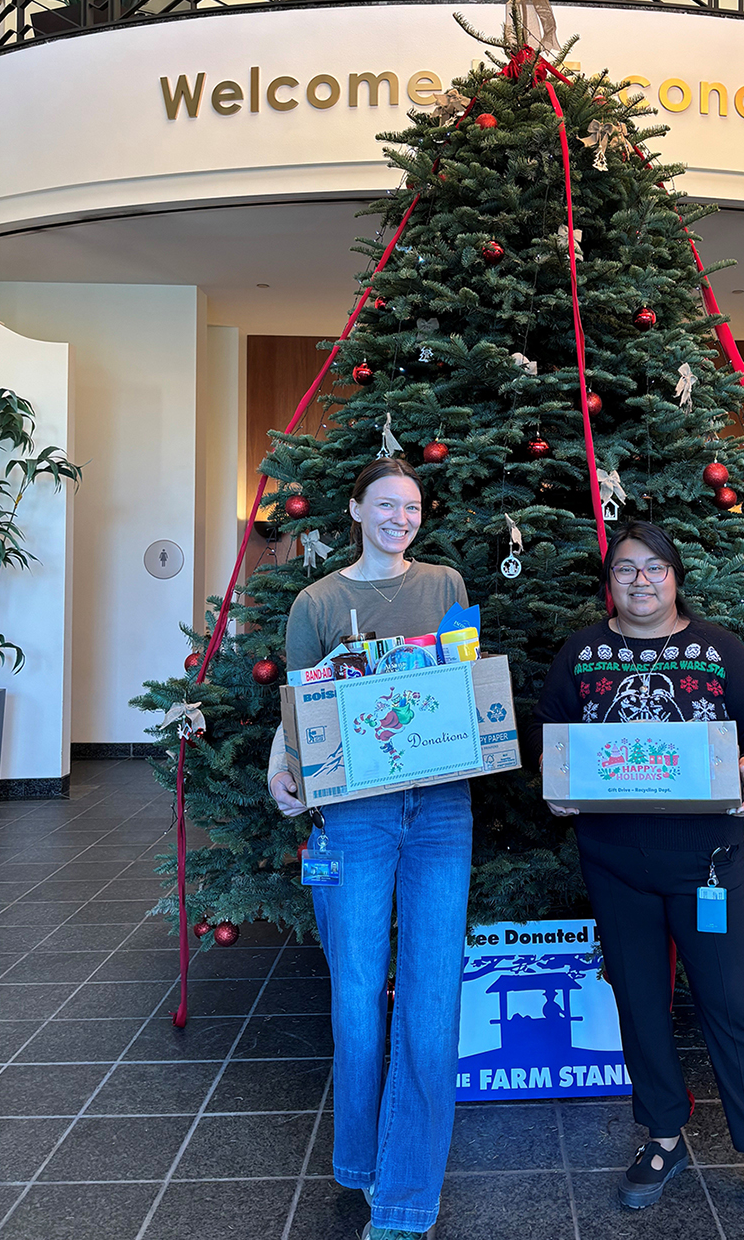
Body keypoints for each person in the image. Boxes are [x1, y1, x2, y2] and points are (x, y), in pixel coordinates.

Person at [526, 520, 744, 1240]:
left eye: (654, 569)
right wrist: (554, 777)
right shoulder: (583, 652)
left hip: (708, 866)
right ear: (611, 580)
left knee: (730, 1005)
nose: (640, 581)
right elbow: (550, 730)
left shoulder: (719, 649)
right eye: (627, 569)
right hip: (614, 863)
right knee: (640, 1002)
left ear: (675, 577)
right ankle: (663, 1137)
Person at [268, 457, 471, 1240]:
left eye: (412, 506)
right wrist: (282, 772)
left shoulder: (446, 586)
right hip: (354, 813)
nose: (400, 517)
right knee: (356, 994)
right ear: (356, 509)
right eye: (385, 504)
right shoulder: (316, 601)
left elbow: (463, 683)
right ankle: (358, 1162)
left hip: (443, 807)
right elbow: (299, 713)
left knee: (430, 995)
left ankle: (408, 1198)